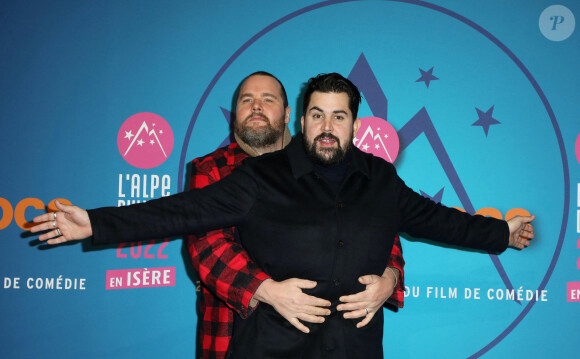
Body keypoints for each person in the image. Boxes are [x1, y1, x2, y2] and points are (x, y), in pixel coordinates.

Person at [31, 73, 534, 359]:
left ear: (355, 122)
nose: (327, 126)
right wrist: (95, 222)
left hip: (354, 350)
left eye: (339, 115)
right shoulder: (262, 176)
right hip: (271, 350)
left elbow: (437, 220)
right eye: (317, 115)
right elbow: (185, 212)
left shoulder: (380, 179)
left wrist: (501, 234)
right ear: (301, 119)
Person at [185, 71, 405, 358]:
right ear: (234, 113)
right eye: (246, 99)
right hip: (235, 333)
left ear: (290, 114)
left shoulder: (327, 159)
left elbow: (377, 225)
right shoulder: (212, 169)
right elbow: (206, 245)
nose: (256, 106)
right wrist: (266, 290)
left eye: (267, 99)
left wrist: (389, 277)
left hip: (337, 340)